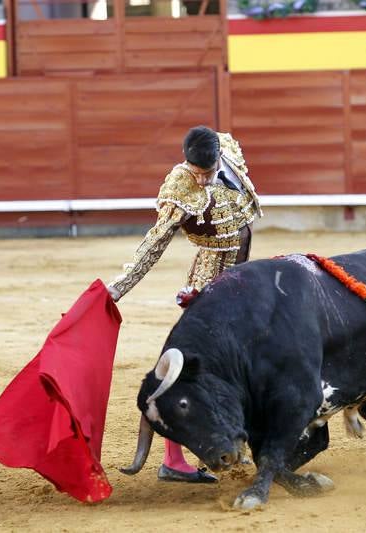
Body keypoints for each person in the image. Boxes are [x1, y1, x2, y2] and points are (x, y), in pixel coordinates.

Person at [106, 125, 261, 483]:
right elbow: (155, 241)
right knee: (194, 367)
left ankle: (243, 436)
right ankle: (173, 459)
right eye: (196, 173)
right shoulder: (180, 185)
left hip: (242, 270)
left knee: (241, 356)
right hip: (209, 278)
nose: (202, 181)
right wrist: (119, 287)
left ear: (219, 158)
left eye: (207, 173)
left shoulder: (226, 150)